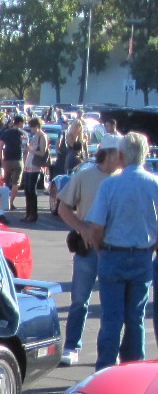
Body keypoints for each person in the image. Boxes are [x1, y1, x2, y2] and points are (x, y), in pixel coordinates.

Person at [85, 132, 158, 370]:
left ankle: (105, 370)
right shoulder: (154, 184)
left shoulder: (110, 184)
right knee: (135, 318)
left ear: (121, 155)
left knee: (112, 318)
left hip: (113, 254)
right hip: (142, 255)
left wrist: (99, 247)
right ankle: (133, 369)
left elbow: (97, 226)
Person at [56, 132, 124, 366]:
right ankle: (72, 345)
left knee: (110, 303)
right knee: (79, 300)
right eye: (119, 153)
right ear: (109, 153)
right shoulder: (85, 176)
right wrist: (82, 228)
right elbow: (63, 207)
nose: (123, 157)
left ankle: (108, 350)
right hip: (87, 248)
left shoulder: (123, 177)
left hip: (114, 249)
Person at [22, 117, 51, 223]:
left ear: (37, 126)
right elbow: (29, 149)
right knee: (27, 190)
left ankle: (33, 215)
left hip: (35, 167)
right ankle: (28, 213)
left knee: (31, 190)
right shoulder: (34, 137)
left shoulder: (42, 137)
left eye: (32, 127)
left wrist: (32, 150)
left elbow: (42, 153)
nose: (31, 129)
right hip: (28, 165)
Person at [0, 114, 25, 215]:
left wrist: (2, 159)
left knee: (5, 182)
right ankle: (10, 203)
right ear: (20, 123)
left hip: (7, 160)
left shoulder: (6, 133)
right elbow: (25, 148)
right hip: (18, 160)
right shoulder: (23, 133)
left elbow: (0, 148)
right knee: (16, 183)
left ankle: (1, 203)